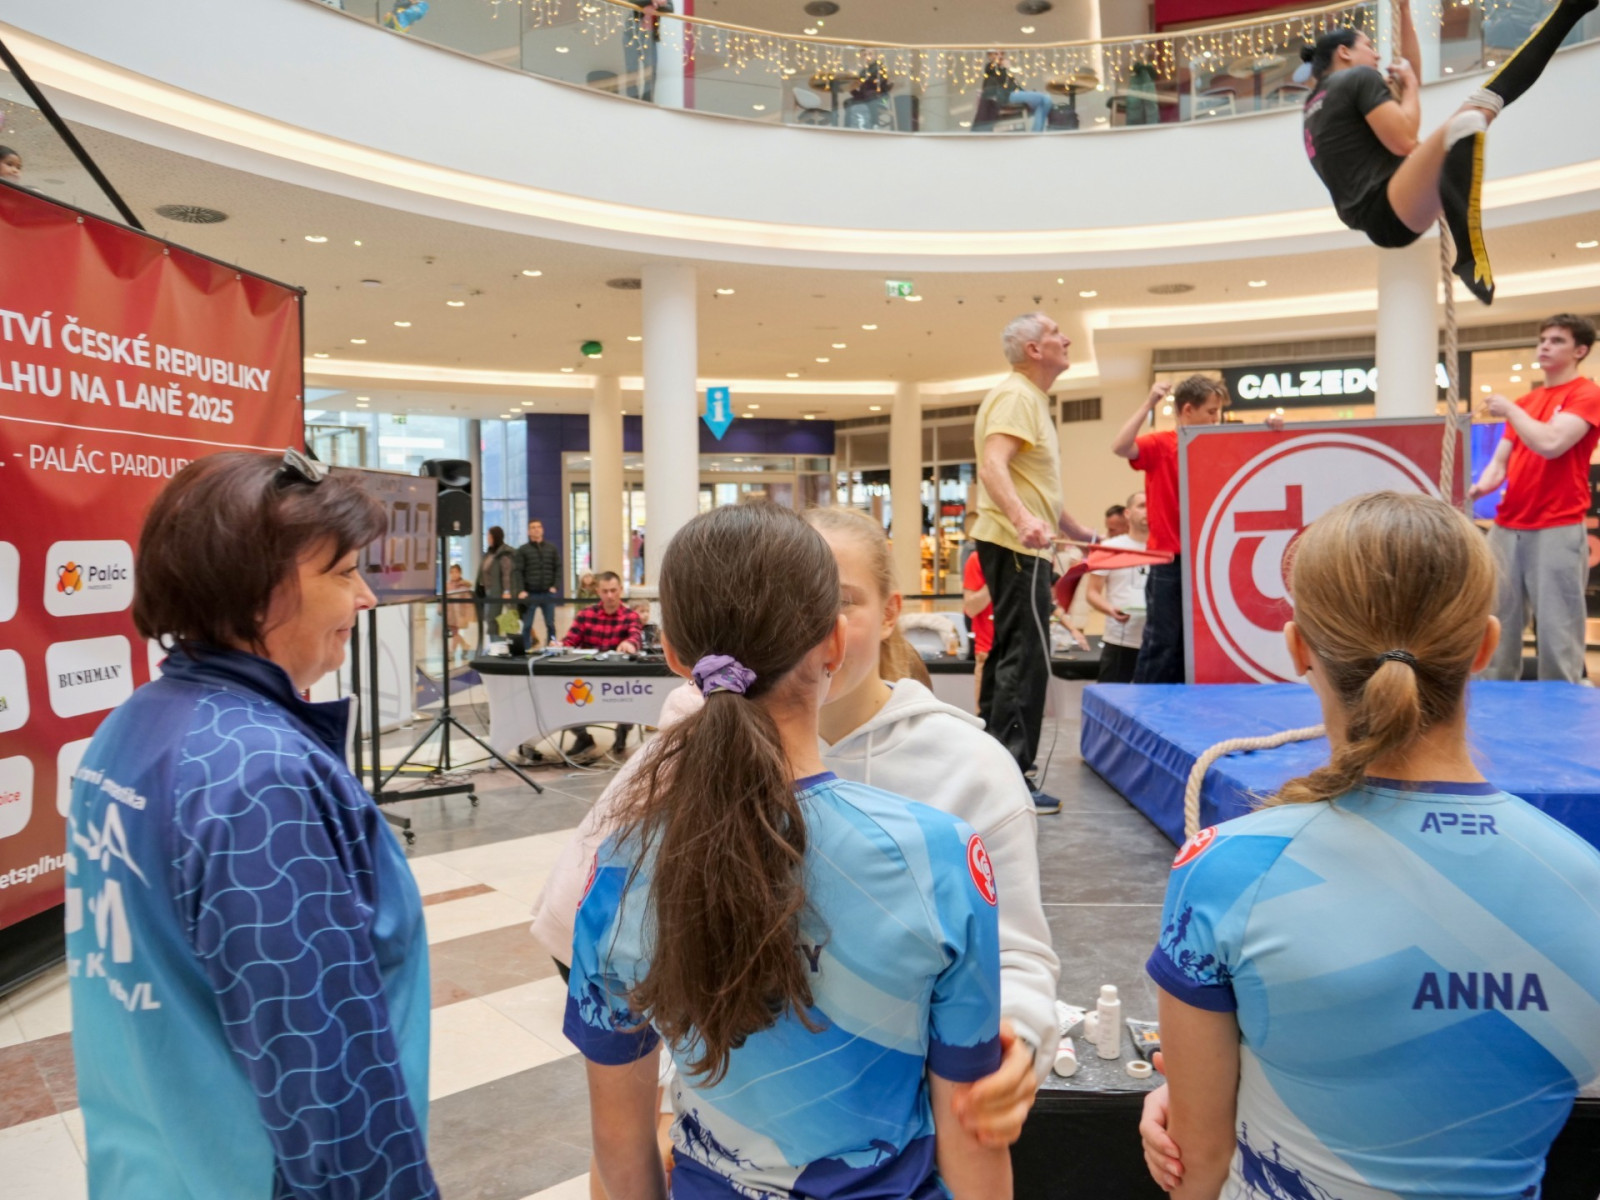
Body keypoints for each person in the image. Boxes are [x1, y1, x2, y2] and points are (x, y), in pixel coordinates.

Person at [1139, 491, 1600, 1200]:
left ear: (1298, 647)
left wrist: (1209, 1093)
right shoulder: (1584, 885)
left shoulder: (1228, 870)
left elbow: (1197, 1166)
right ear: (1484, 646)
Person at [563, 503, 1010, 1200]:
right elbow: (973, 1135)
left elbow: (620, 1154)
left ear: (675, 655)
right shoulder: (940, 858)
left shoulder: (621, 867)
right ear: (834, 642)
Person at [67, 449, 438, 1198]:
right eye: (343, 573)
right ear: (258, 589)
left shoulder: (136, 726)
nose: (366, 597)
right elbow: (323, 1081)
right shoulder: (259, 779)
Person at [806, 507, 1059, 1143]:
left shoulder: (971, 768)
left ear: (891, 612)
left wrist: (1019, 1043)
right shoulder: (724, 756)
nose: (818, 632)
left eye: (843, 602)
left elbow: (1015, 953)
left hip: (916, 1130)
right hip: (753, 1122)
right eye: (794, 601)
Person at [1298, 0, 1595, 305]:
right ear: (1344, 52)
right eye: (1369, 46)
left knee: (1485, 102)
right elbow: (1404, 139)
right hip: (1388, 203)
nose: (1377, 55)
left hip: (1386, 212)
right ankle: (1467, 252)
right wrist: (1409, 87)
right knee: (1467, 123)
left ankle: (1568, 12)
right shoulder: (1357, 79)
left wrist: (1404, 12)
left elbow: (1409, 77)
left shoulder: (1313, 106)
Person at [972, 312, 1099, 811]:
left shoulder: (1027, 399)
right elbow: (992, 465)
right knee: (1025, 659)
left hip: (1019, 544)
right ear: (1033, 350)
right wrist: (1023, 520)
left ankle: (993, 774)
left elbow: (1034, 485)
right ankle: (1011, 778)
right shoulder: (1017, 396)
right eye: (1054, 334)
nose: (1066, 339)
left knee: (1013, 654)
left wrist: (1081, 533)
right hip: (1017, 545)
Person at [1113, 375, 1282, 683]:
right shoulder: (1161, 444)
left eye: (1218, 412)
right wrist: (1150, 402)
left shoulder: (1219, 445)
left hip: (1208, 559)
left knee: (1196, 645)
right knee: (1162, 642)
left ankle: (1180, 703)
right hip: (1170, 560)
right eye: (1211, 412)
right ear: (1188, 410)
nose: (1216, 419)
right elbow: (1120, 446)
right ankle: (1145, 706)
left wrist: (1269, 429)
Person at [1469, 312, 1600, 683]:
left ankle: (1563, 707)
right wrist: (1476, 490)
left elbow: (1552, 443)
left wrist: (1510, 410)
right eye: (1543, 339)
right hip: (1507, 526)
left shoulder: (1587, 394)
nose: (1545, 346)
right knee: (1495, 621)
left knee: (1559, 628)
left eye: (1557, 340)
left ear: (1580, 351)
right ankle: (1494, 703)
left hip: (1557, 524)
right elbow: (1499, 465)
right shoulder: (1527, 401)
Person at [561, 570, 643, 760]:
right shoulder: (585, 615)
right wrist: (559, 646)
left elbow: (635, 635)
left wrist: (630, 643)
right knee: (561, 695)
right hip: (586, 678)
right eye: (605, 591)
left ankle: (622, 732)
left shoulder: (631, 616)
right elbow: (570, 641)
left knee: (634, 698)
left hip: (619, 680)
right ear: (598, 591)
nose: (610, 596)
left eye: (613, 590)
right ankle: (583, 738)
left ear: (620, 590)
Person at [1085, 491, 1150, 684]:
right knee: (1111, 697)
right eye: (1142, 506)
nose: (1148, 511)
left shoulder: (1168, 548)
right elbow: (1092, 592)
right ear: (1128, 513)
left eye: (1152, 505)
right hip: (1120, 639)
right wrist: (1110, 610)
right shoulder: (1109, 547)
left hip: (1157, 641)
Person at [515, 517, 561, 648]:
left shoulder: (551, 548)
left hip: (548, 593)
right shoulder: (523, 550)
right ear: (528, 532)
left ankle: (552, 649)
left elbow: (558, 567)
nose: (536, 530)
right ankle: (525, 650)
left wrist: (555, 586)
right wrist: (521, 590)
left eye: (538, 527)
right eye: (533, 527)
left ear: (543, 530)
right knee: (527, 625)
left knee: (550, 624)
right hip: (530, 594)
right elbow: (518, 572)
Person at [981, 51, 1052, 133]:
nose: (1000, 56)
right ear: (990, 56)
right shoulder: (990, 68)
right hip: (1005, 96)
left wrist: (1028, 93)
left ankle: (1037, 131)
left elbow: (1015, 86)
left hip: (1011, 94)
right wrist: (1005, 68)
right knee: (1045, 99)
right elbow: (1002, 82)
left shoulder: (1002, 68)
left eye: (1002, 53)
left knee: (1045, 100)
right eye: (996, 54)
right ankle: (1036, 132)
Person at [621, 0, 674, 103]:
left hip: (650, 32)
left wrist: (654, 6)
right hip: (633, 29)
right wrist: (652, 1)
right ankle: (632, 99)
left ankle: (647, 100)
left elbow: (670, 7)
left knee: (650, 68)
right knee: (632, 67)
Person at [962, 548, 994, 709]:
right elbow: (971, 608)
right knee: (987, 718)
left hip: (1021, 655)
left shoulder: (1027, 558)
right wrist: (995, 578)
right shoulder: (978, 559)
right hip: (988, 655)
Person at [477, 523, 517, 638]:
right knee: (490, 619)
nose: (488, 539)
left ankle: (509, 643)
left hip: (500, 592)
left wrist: (507, 591)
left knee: (505, 620)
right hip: (489, 591)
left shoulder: (504, 554)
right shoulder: (490, 553)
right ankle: (495, 643)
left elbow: (506, 574)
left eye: (489, 536)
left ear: (496, 537)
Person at [844, 48, 893, 130]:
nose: (867, 57)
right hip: (865, 97)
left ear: (875, 55)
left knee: (871, 96)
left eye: (870, 54)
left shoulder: (879, 68)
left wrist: (861, 80)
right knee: (848, 102)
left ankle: (875, 124)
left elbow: (880, 84)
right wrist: (852, 89)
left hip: (881, 98)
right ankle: (848, 126)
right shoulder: (863, 71)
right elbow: (862, 91)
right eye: (864, 55)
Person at [446, 562, 474, 662]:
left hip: (459, 613)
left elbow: (468, 602)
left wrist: (468, 615)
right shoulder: (447, 585)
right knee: (455, 633)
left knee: (455, 633)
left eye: (456, 572)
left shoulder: (463, 586)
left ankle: (451, 653)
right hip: (450, 613)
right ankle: (465, 645)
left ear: (460, 573)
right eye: (452, 572)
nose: (454, 574)